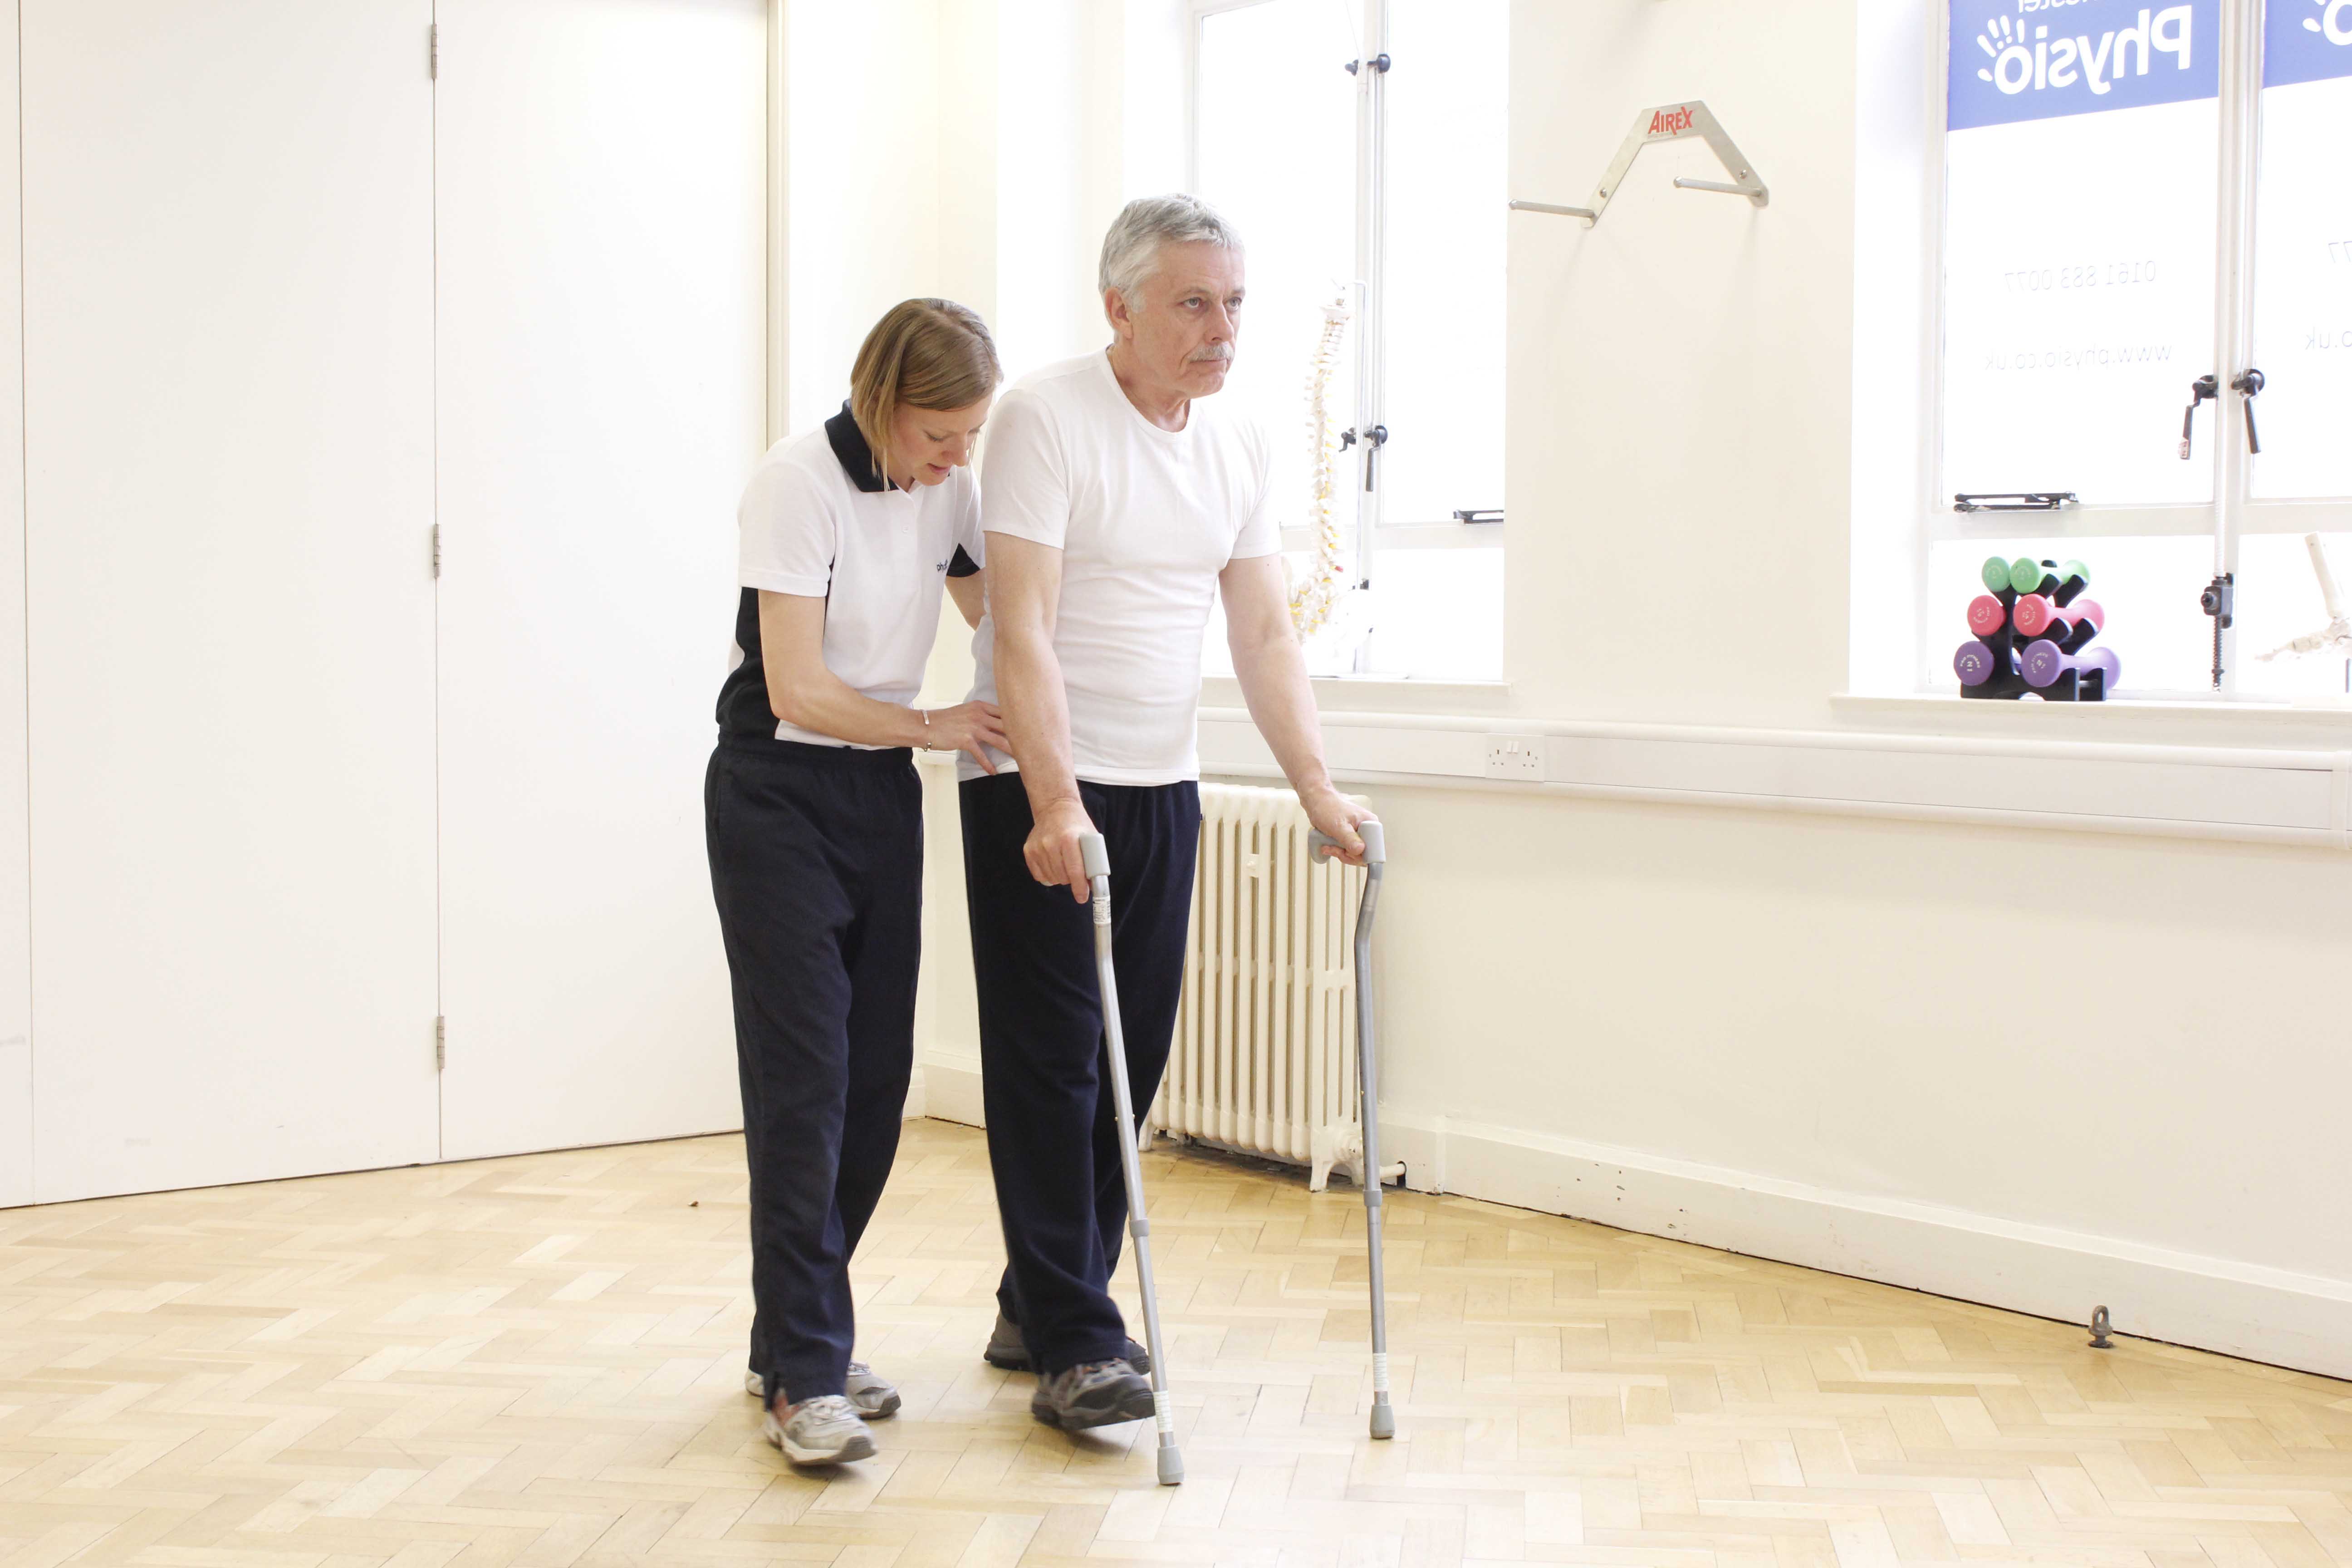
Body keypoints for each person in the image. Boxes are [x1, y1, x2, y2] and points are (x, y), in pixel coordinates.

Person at [958, 195, 1377, 1430]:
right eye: (1194, 302)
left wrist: (1316, 787)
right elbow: (1019, 624)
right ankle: (1083, 1340)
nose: (1221, 327)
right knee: (1050, 1065)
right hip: (1038, 795)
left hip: (1164, 791)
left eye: (1235, 301)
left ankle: (1041, 1301)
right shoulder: (1046, 417)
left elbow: (1258, 630)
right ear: (1121, 309)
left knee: (1125, 1059)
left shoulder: (1235, 445)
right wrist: (1050, 799)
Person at [705, 299, 1005, 1465]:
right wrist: (931, 722)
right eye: (942, 433)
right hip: (779, 792)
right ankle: (808, 1375)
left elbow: (1004, 618)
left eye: (973, 436)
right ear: (883, 400)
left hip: (881, 794)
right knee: (807, 1081)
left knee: (876, 1082)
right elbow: (794, 687)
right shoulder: (796, 484)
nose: (957, 457)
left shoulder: (951, 491)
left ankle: (789, 1340)